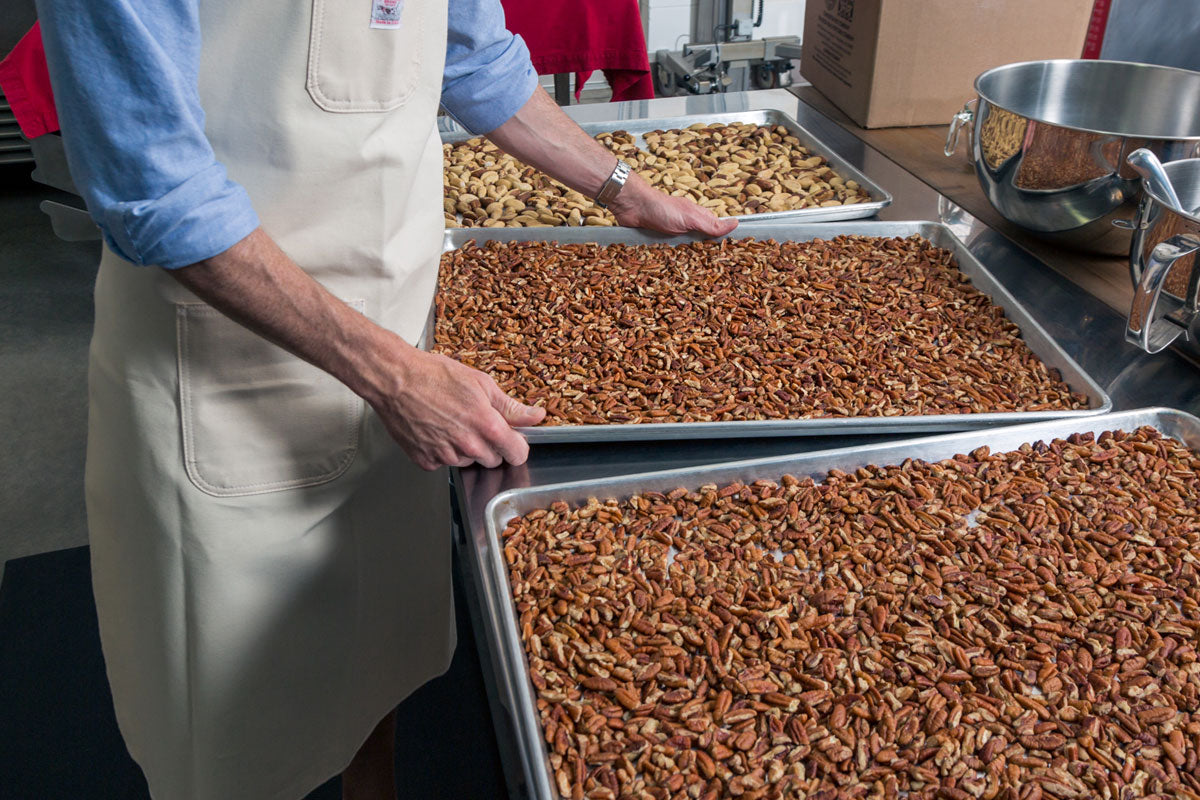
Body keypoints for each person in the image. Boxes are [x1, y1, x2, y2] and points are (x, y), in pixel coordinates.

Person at [34, 0, 736, 797]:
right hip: (227, 374)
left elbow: (473, 58)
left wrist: (623, 190)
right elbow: (152, 186)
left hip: (402, 346)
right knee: (236, 716)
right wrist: (392, 375)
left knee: (376, 664)